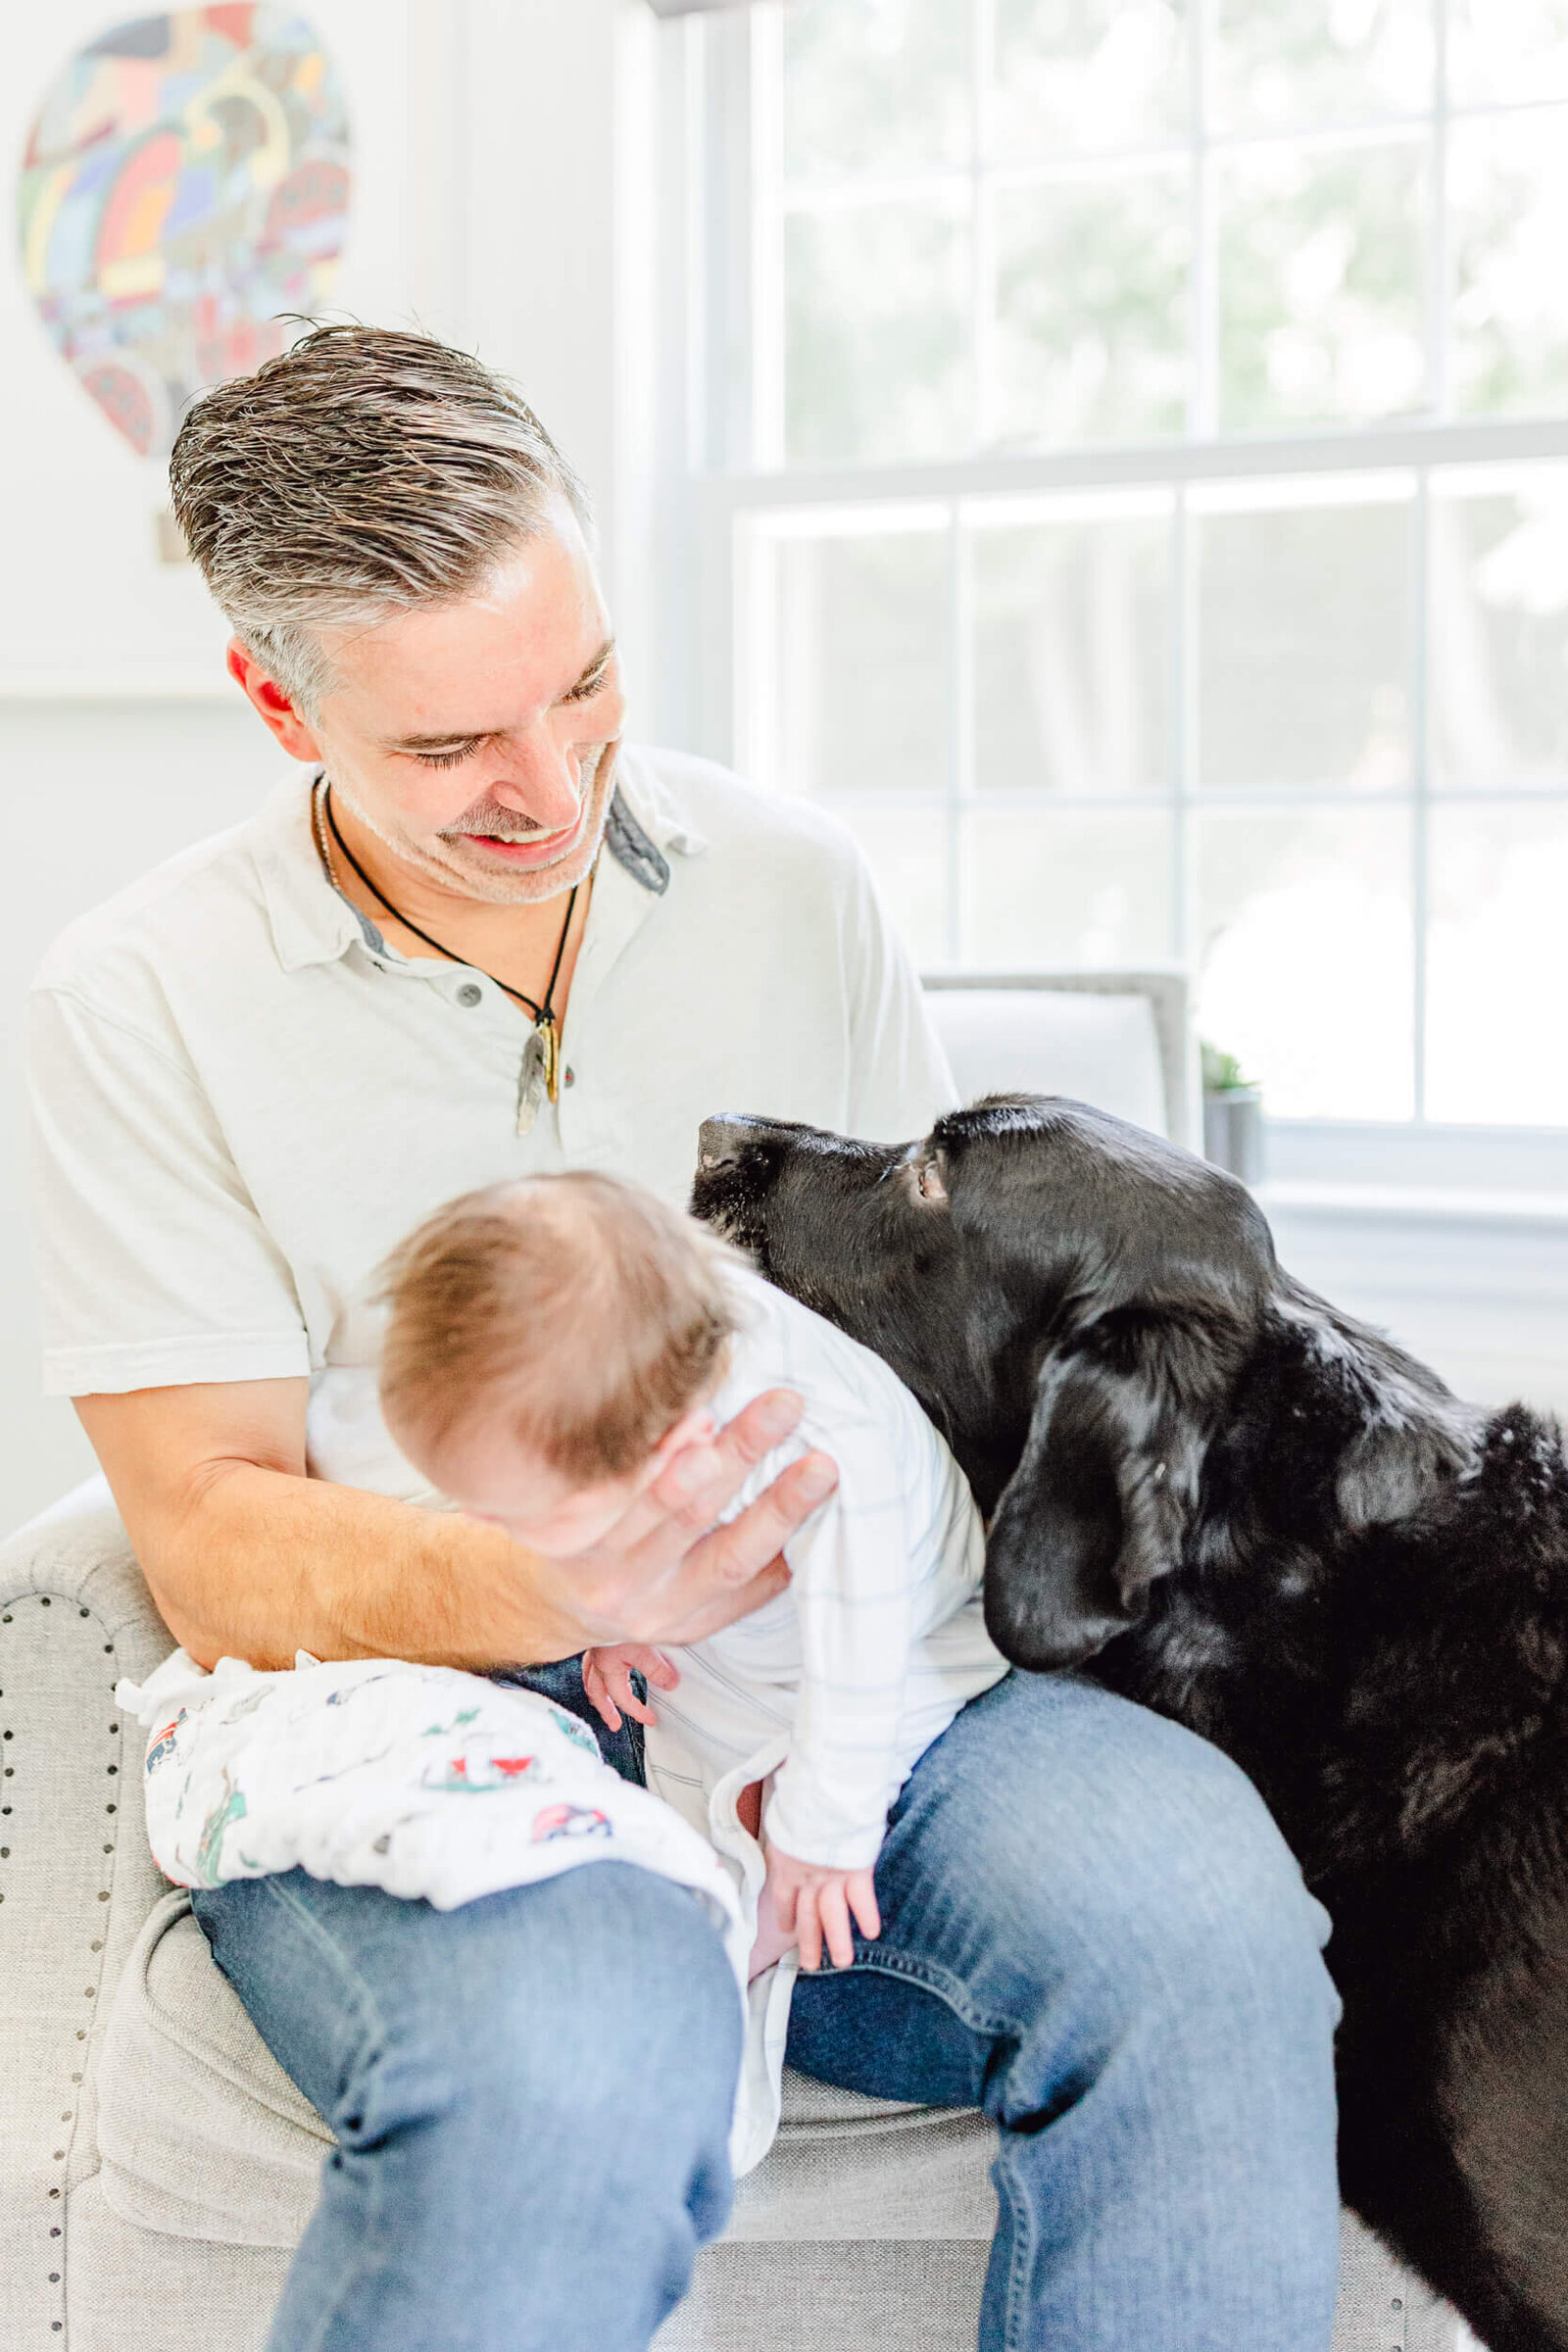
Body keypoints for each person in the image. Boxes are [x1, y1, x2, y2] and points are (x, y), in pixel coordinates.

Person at [25, 325, 1341, 2352]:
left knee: (1202, 1931)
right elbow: (202, 1526)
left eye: (580, 686)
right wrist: (546, 1583)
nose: (549, 790)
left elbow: (948, 1350)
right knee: (569, 2050)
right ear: (274, 699)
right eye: (450, 748)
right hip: (420, 1710)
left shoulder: (792, 887)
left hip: (842, 1665)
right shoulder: (134, 1004)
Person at [375, 1169, 1007, 1978]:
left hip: (905, 1628)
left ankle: (752, 1939)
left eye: (515, 1515)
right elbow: (625, 1533)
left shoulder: (832, 1459)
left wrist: (823, 1834)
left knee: (809, 1803)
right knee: (679, 1736)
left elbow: (862, 1661)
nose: (482, 1531)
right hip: (747, 1621)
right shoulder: (650, 1371)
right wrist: (614, 1621)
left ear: (674, 1462)